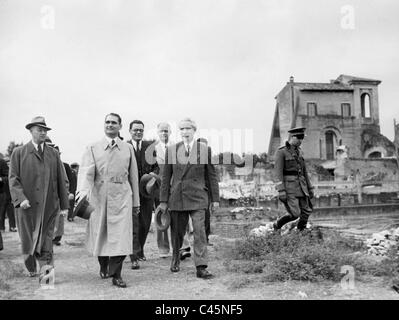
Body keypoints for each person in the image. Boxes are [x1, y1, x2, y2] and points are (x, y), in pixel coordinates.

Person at [76, 113, 140, 288]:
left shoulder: (127, 148)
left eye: (114, 123)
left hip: (122, 197)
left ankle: (116, 274)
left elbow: (134, 177)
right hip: (100, 197)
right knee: (101, 234)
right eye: (107, 122)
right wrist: (81, 196)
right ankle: (103, 266)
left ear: (120, 126)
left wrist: (136, 203)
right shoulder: (93, 147)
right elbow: (86, 175)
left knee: (122, 236)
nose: (110, 125)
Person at [159, 118, 220, 279]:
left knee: (200, 231)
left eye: (188, 128)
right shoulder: (172, 150)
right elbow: (166, 177)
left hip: (199, 197)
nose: (185, 132)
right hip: (177, 198)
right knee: (177, 233)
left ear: (194, 130)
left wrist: (215, 199)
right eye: (182, 129)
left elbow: (211, 175)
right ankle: (175, 258)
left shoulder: (204, 149)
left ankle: (201, 266)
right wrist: (163, 201)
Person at [8, 116, 69, 277]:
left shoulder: (53, 154)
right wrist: (21, 199)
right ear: (31, 131)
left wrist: (63, 206)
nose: (42, 133)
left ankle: (47, 279)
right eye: (39, 130)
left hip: (48, 207)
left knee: (46, 243)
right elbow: (13, 179)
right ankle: (31, 268)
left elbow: (62, 180)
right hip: (26, 208)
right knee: (28, 242)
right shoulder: (18, 153)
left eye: (45, 130)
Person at [154, 122, 191, 259]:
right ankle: (163, 249)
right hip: (160, 187)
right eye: (161, 131)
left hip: (176, 187)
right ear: (158, 133)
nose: (164, 133)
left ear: (170, 132)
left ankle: (183, 246)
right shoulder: (153, 149)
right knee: (161, 216)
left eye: (166, 131)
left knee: (180, 216)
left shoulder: (178, 148)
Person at [127, 120, 158, 270]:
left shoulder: (149, 147)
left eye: (140, 130)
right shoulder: (124, 146)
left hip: (146, 191)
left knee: (145, 223)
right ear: (130, 131)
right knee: (133, 223)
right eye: (135, 130)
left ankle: (141, 249)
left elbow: (157, 166)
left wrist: (153, 174)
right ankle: (134, 254)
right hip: (130, 191)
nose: (138, 132)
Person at [273, 127, 314, 232]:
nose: (301, 141)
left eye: (302, 138)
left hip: (302, 187)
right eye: (299, 138)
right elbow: (277, 173)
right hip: (289, 188)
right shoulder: (281, 152)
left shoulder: (300, 152)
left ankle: (300, 232)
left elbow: (304, 172)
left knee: (307, 211)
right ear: (292, 137)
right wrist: (281, 190)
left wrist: (310, 188)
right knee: (295, 214)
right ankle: (277, 225)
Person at [0, 156, 17, 233]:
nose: (8, 163)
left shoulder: (10, 170)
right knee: (1, 211)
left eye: (9, 162)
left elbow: (10, 178)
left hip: (9, 192)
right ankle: (1, 227)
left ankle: (12, 226)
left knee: (10, 211)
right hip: (2, 192)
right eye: (7, 162)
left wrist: (1, 179)